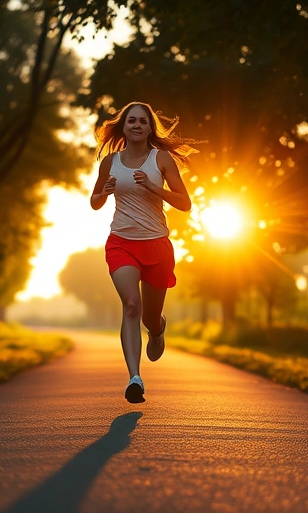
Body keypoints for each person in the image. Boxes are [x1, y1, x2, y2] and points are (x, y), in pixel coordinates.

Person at [90, 102, 199, 403]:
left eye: (142, 121)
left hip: (157, 245)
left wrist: (154, 188)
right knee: (131, 305)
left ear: (150, 128)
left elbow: (185, 203)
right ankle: (134, 378)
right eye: (131, 121)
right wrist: (105, 191)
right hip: (122, 243)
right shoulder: (110, 162)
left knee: (149, 316)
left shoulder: (160, 159)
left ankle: (158, 328)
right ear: (123, 126)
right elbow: (95, 201)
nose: (136, 125)